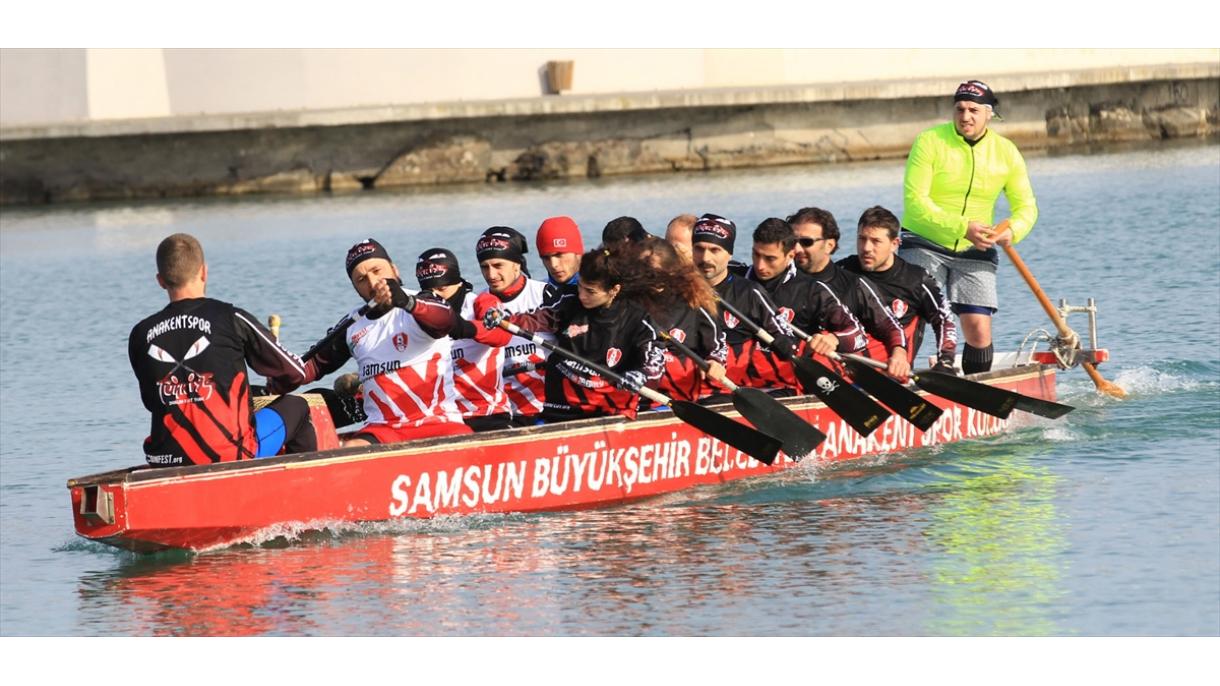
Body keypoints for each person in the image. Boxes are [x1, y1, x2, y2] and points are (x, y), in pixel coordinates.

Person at [129, 233, 316, 467]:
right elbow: (295, 372)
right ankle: (297, 493)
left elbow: (152, 400)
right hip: (229, 454)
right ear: (204, 272)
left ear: (160, 280)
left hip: (164, 459)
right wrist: (277, 387)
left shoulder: (140, 334)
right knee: (297, 407)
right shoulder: (231, 318)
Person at [901, 79, 1038, 374]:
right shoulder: (929, 141)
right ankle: (897, 378)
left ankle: (976, 392)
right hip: (923, 241)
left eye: (973, 110)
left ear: (989, 113)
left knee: (978, 328)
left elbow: (1027, 207)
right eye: (960, 109)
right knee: (914, 318)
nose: (965, 116)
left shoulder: (1006, 152)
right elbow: (916, 202)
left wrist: (1011, 230)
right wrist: (962, 227)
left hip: (976, 246)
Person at [287, 238, 472, 446]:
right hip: (383, 428)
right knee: (351, 449)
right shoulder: (352, 325)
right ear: (355, 287)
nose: (373, 283)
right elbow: (310, 367)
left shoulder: (423, 301)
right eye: (361, 279)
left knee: (462, 444)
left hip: (438, 421)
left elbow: (446, 321)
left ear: (394, 270)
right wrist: (276, 369)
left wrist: (406, 302)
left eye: (377, 271)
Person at [485, 248, 664, 422]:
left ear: (614, 290)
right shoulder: (570, 301)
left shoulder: (637, 318)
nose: (582, 295)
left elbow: (654, 362)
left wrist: (642, 375)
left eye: (591, 291)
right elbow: (540, 318)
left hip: (611, 409)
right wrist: (506, 320)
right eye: (580, 287)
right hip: (563, 407)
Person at [747, 217, 891, 384]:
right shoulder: (736, 280)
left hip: (786, 385)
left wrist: (834, 339)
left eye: (770, 259)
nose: (760, 266)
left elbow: (858, 334)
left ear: (790, 255)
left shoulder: (812, 291)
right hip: (732, 382)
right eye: (756, 255)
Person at [787, 206, 910, 380]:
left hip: (838, 373)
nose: (797, 249)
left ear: (829, 245)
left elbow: (891, 328)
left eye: (806, 242)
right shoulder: (775, 281)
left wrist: (899, 356)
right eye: (792, 241)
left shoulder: (854, 285)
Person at [839, 207, 958, 374]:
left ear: (894, 244)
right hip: (845, 363)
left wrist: (945, 360)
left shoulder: (916, 280)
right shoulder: (842, 272)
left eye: (875, 241)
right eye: (862, 239)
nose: (866, 248)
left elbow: (944, 320)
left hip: (893, 369)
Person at [689, 213, 799, 391]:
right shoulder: (676, 292)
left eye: (715, 250)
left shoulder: (749, 293)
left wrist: (783, 345)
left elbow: (786, 337)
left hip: (730, 389)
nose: (705, 258)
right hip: (685, 390)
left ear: (729, 254)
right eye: (699, 249)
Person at [415, 245, 512, 432]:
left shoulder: (481, 302)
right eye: (430, 291)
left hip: (485, 414)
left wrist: (463, 328)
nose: (436, 296)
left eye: (442, 288)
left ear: (458, 281)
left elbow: (502, 335)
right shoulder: (424, 313)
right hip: (440, 418)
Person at [471, 226, 562, 426]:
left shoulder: (547, 294)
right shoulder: (476, 303)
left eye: (497, 265)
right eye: (484, 267)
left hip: (550, 405)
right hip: (505, 412)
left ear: (517, 264)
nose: (491, 275)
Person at [631, 236, 727, 402]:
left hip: (682, 398)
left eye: (653, 273)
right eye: (642, 271)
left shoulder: (692, 303)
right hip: (640, 395)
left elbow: (717, 345)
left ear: (671, 271)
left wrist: (715, 362)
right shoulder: (628, 303)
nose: (646, 277)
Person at [536, 216, 584, 290]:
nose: (553, 265)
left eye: (559, 255)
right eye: (546, 258)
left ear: (578, 254)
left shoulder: (603, 291)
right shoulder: (538, 295)